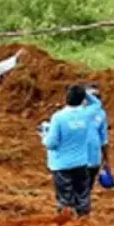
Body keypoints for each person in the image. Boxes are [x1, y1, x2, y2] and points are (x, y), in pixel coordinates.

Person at [41, 85, 103, 217]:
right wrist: (84, 93)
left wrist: (43, 137)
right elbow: (97, 103)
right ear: (82, 100)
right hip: (81, 163)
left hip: (62, 165)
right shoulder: (86, 114)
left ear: (65, 98)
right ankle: (84, 224)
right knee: (83, 197)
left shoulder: (58, 117)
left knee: (65, 199)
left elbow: (51, 143)